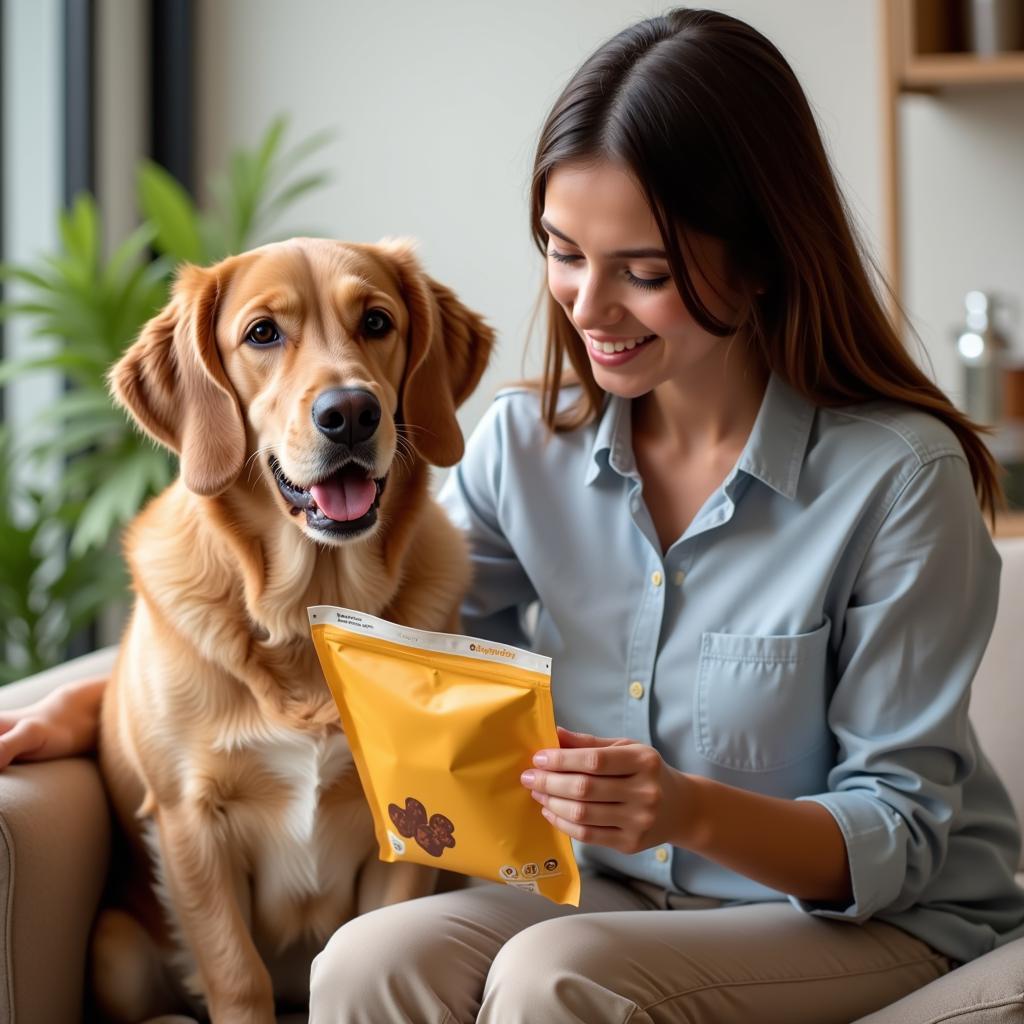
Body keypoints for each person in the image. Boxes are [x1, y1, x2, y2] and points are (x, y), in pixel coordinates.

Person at [3, 8, 1023, 1023]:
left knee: (552, 977)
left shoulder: (899, 479)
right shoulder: (523, 450)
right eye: (563, 252)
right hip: (612, 887)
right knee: (366, 959)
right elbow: (381, 647)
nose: (588, 307)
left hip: (866, 917)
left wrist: (686, 807)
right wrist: (108, 705)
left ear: (756, 259)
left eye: (645, 271)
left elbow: (902, 832)